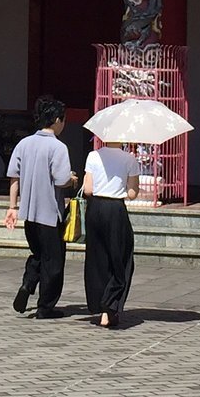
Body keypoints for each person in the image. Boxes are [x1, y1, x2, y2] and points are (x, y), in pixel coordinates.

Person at [4, 96, 78, 319]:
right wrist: (73, 180)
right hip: (50, 213)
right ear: (56, 119)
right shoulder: (58, 147)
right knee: (53, 261)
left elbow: (14, 178)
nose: (63, 124)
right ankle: (46, 306)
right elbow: (61, 180)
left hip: (29, 212)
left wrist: (12, 207)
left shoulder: (23, 144)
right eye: (63, 120)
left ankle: (28, 284)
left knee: (38, 253)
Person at [82, 140, 140, 328]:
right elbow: (132, 193)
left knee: (97, 258)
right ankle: (111, 305)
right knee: (121, 258)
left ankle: (100, 307)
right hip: (115, 209)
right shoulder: (130, 159)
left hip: (95, 208)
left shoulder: (93, 155)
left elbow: (88, 189)